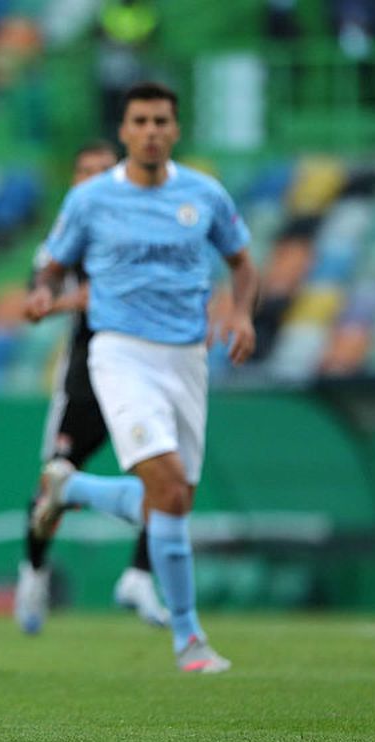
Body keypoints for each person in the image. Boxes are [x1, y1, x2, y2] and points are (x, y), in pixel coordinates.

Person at [25, 82, 258, 673]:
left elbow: (242, 260)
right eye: (140, 121)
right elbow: (51, 263)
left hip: (187, 359)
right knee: (169, 484)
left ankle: (69, 489)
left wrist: (242, 313)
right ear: (125, 131)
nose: (151, 130)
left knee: (177, 497)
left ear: (175, 130)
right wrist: (42, 295)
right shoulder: (92, 200)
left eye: (161, 120)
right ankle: (189, 640)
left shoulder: (203, 194)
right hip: (120, 354)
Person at [15, 141, 170, 635]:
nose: (96, 180)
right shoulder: (69, 235)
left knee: (163, 474)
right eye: (87, 171)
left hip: (140, 371)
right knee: (53, 477)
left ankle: (141, 576)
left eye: (105, 171)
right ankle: (33, 571)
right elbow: (38, 289)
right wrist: (57, 297)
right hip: (85, 377)